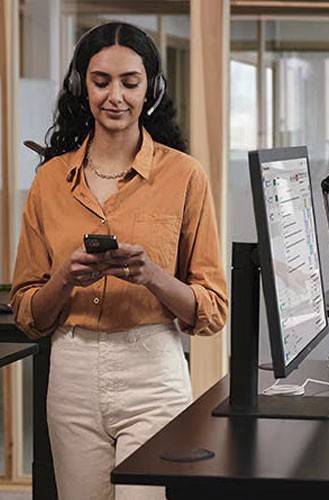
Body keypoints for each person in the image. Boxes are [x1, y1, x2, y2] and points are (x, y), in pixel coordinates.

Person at [10, 22, 228, 500]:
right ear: (80, 86)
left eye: (130, 82)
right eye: (101, 81)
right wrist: (64, 278)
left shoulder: (185, 176)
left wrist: (152, 277)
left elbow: (212, 309)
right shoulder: (49, 181)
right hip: (71, 370)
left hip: (153, 368)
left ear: (150, 87)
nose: (115, 96)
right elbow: (28, 313)